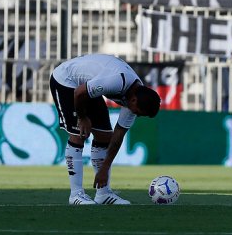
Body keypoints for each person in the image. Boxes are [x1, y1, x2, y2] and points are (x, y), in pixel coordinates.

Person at [49, 54, 161, 205]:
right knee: (78, 135)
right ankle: (75, 194)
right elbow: (79, 93)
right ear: (134, 100)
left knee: (104, 137)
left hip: (87, 85)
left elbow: (118, 136)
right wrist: (82, 118)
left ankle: (103, 193)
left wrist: (104, 169)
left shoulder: (135, 98)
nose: (137, 115)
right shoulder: (117, 81)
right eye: (138, 113)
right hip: (67, 81)